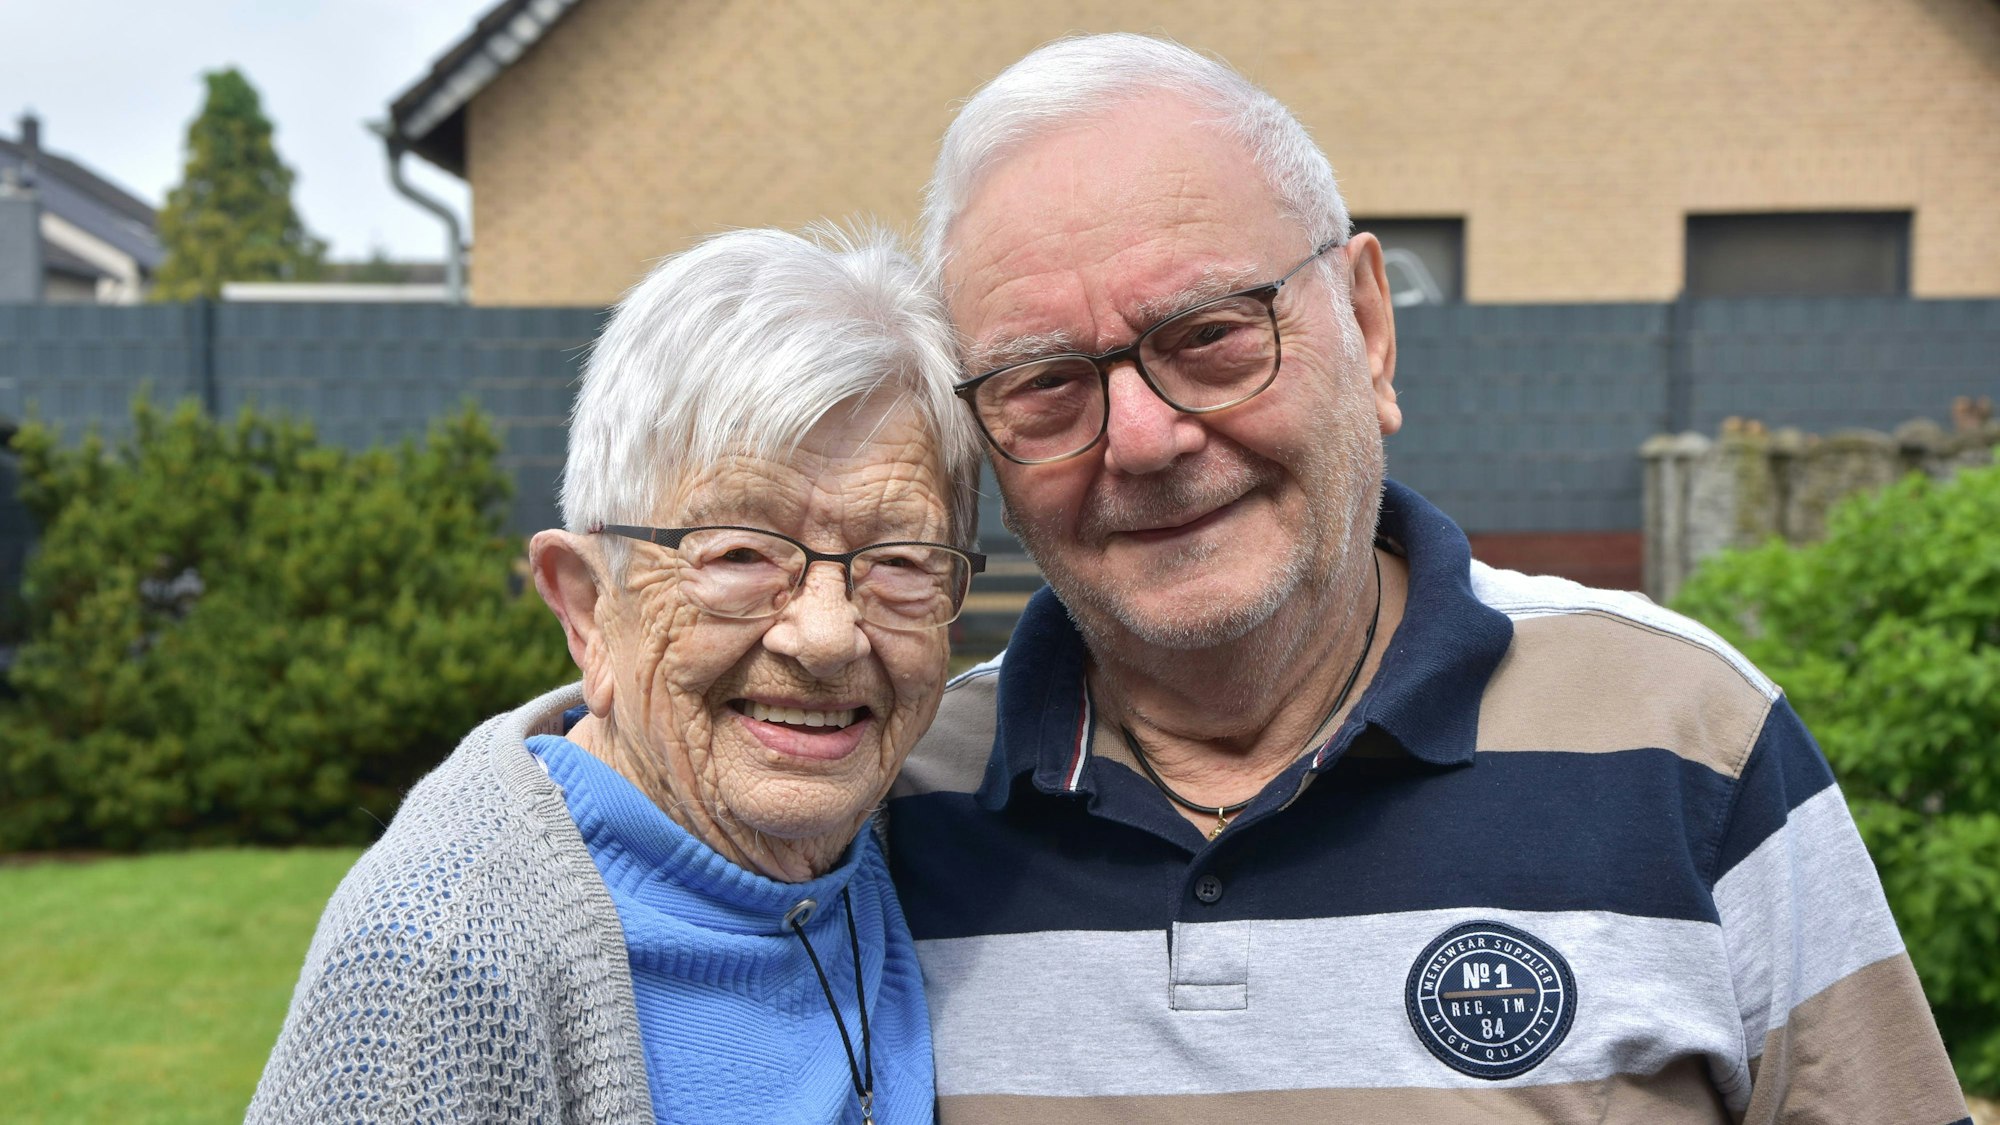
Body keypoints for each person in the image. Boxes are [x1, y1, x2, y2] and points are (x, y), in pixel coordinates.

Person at [886, 34, 1970, 1123]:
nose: (1142, 436)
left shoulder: (1686, 739)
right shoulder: (890, 812)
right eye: (1044, 385)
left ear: (1365, 326)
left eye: (1207, 335)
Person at [250, 226, 984, 1124]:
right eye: (741, 552)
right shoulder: (433, 972)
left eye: (900, 560)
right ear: (589, 607)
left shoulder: (930, 840)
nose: (828, 636)